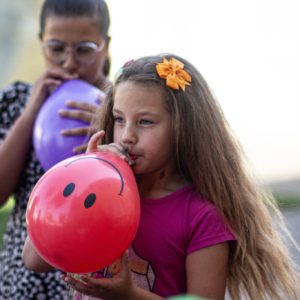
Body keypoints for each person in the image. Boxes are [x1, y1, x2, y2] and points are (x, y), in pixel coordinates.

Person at [23, 54, 299, 300]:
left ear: (182, 129)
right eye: (119, 119)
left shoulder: (201, 216)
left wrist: (129, 295)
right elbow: (35, 259)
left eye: (145, 122)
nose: (127, 135)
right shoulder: (99, 191)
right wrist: (86, 173)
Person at [0, 0, 111, 299]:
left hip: (94, 284)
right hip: (20, 280)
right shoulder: (16, 100)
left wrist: (108, 129)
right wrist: (31, 112)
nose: (69, 62)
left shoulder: (124, 108)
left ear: (105, 45)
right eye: (57, 48)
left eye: (84, 49)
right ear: (41, 43)